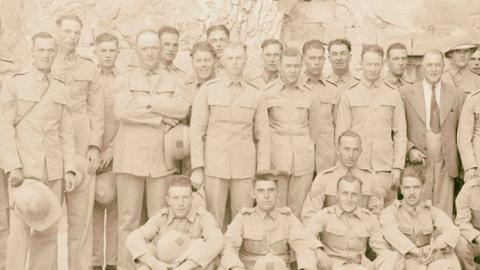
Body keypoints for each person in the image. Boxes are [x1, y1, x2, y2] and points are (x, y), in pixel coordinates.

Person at [114, 29, 190, 270]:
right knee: (128, 220)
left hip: (161, 160)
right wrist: (158, 119)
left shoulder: (176, 79)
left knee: (160, 220)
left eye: (154, 48)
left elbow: (180, 109)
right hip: (130, 158)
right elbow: (123, 111)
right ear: (136, 51)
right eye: (145, 48)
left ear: (160, 50)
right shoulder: (124, 78)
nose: (150, 53)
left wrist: (148, 102)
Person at [0, 32, 76, 270]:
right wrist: (13, 166)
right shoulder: (15, 83)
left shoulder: (61, 88)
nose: (46, 55)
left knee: (48, 230)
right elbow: (4, 128)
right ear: (32, 52)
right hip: (24, 172)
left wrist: (70, 168)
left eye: (50, 50)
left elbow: (66, 133)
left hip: (53, 170)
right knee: (19, 233)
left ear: (55, 53)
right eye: (41, 50)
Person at [190, 41, 270, 228]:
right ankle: (215, 256)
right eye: (230, 58)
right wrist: (197, 167)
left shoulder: (256, 94)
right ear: (222, 62)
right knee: (213, 217)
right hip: (215, 165)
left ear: (245, 60)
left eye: (239, 58)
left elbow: (263, 136)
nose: (235, 62)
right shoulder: (208, 90)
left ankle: (237, 257)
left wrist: (262, 171)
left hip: (244, 167)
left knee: (243, 217)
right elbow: (196, 131)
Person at [52, 14, 104, 270]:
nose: (71, 37)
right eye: (67, 31)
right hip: (51, 144)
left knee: (81, 220)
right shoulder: (45, 62)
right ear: (57, 32)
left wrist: (95, 145)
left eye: (76, 33)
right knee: (48, 216)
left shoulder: (89, 67)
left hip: (82, 144)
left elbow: (97, 111)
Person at [336, 44, 407, 206]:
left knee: (386, 215)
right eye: (369, 64)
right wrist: (343, 168)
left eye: (377, 64)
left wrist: (397, 167)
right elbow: (341, 136)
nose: (373, 69)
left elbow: (400, 134)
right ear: (361, 64)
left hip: (384, 168)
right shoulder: (349, 94)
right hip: (356, 167)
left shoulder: (393, 93)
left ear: (383, 65)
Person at [403, 49, 464, 217]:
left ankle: (442, 241)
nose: (433, 69)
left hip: (446, 159)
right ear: (422, 67)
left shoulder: (457, 94)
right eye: (429, 65)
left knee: (443, 210)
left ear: (444, 67)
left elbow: (462, 131)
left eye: (438, 65)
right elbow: (399, 129)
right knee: (419, 204)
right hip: (419, 159)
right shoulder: (406, 93)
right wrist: (410, 149)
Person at [220, 171, 317, 270]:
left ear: (278, 193)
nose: (266, 196)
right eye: (261, 191)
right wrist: (236, 267)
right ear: (253, 194)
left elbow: (303, 247)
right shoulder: (243, 218)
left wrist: (307, 267)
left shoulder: (288, 218)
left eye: (271, 190)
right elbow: (229, 246)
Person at [126, 175, 223, 270]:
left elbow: (217, 240)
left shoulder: (202, 216)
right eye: (176, 198)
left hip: (191, 265)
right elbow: (133, 238)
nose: (181, 203)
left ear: (192, 198)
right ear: (168, 200)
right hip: (165, 265)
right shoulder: (163, 216)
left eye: (185, 197)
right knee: (147, 250)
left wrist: (186, 266)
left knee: (207, 253)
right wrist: (155, 264)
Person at [263, 47, 315, 217]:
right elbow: (261, 131)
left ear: (301, 67)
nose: (292, 70)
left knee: (299, 211)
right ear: (279, 66)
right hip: (276, 160)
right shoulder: (266, 93)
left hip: (303, 160)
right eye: (288, 66)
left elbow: (315, 130)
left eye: (296, 66)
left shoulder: (310, 95)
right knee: (275, 209)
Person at [305, 175, 398, 270]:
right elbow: (306, 234)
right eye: (345, 193)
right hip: (333, 266)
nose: (349, 199)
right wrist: (319, 252)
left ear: (360, 196)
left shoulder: (369, 218)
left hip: (359, 266)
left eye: (354, 194)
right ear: (337, 194)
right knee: (308, 254)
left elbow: (381, 248)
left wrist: (395, 259)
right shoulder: (325, 215)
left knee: (392, 256)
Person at [380, 166, 461, 270]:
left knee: (448, 258)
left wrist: (435, 246)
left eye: (416, 187)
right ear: (401, 189)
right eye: (407, 188)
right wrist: (417, 252)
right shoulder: (390, 212)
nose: (412, 192)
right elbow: (392, 234)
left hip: (429, 259)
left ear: (423, 188)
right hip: (405, 261)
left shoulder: (431, 210)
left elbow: (452, 229)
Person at [301, 130, 384, 222]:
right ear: (338, 150)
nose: (351, 155)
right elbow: (309, 215)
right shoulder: (323, 178)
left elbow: (377, 215)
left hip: (361, 232)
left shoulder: (371, 178)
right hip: (331, 232)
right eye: (346, 149)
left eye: (355, 150)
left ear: (360, 151)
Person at [91, 33, 121, 270]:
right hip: (90, 154)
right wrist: (92, 150)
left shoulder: (124, 81)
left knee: (114, 211)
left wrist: (111, 149)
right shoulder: (89, 79)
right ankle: (93, 262)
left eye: (112, 50)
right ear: (95, 52)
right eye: (104, 50)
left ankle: (112, 262)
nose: (108, 55)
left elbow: (126, 120)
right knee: (91, 212)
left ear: (118, 53)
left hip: (117, 152)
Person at [299, 39, 337, 173]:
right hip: (301, 156)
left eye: (320, 58)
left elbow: (338, 125)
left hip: (326, 157)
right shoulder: (295, 87)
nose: (316, 62)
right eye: (312, 58)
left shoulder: (332, 89)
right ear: (303, 59)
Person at [454, 176, 480, 270]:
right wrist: (477, 237)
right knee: (460, 242)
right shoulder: (469, 189)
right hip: (475, 237)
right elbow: (461, 221)